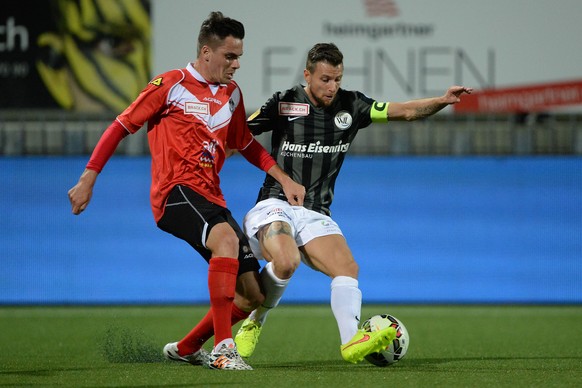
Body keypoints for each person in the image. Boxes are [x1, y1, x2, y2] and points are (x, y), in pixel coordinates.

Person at [67, 12, 305, 371]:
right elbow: (120, 125)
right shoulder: (170, 83)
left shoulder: (232, 95)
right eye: (230, 56)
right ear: (206, 52)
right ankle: (225, 349)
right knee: (224, 241)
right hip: (174, 193)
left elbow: (245, 144)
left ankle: (187, 347)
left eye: (239, 56)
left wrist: (283, 178)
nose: (236, 64)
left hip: (211, 197)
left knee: (253, 294)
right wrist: (89, 177)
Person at [233, 42, 473, 363]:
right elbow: (237, 134)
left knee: (347, 268)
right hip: (274, 204)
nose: (333, 87)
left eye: (338, 79)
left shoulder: (353, 105)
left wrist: (442, 101)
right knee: (286, 262)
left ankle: (351, 342)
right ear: (308, 75)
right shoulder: (286, 102)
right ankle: (255, 321)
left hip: (315, 212)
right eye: (325, 79)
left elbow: (405, 111)